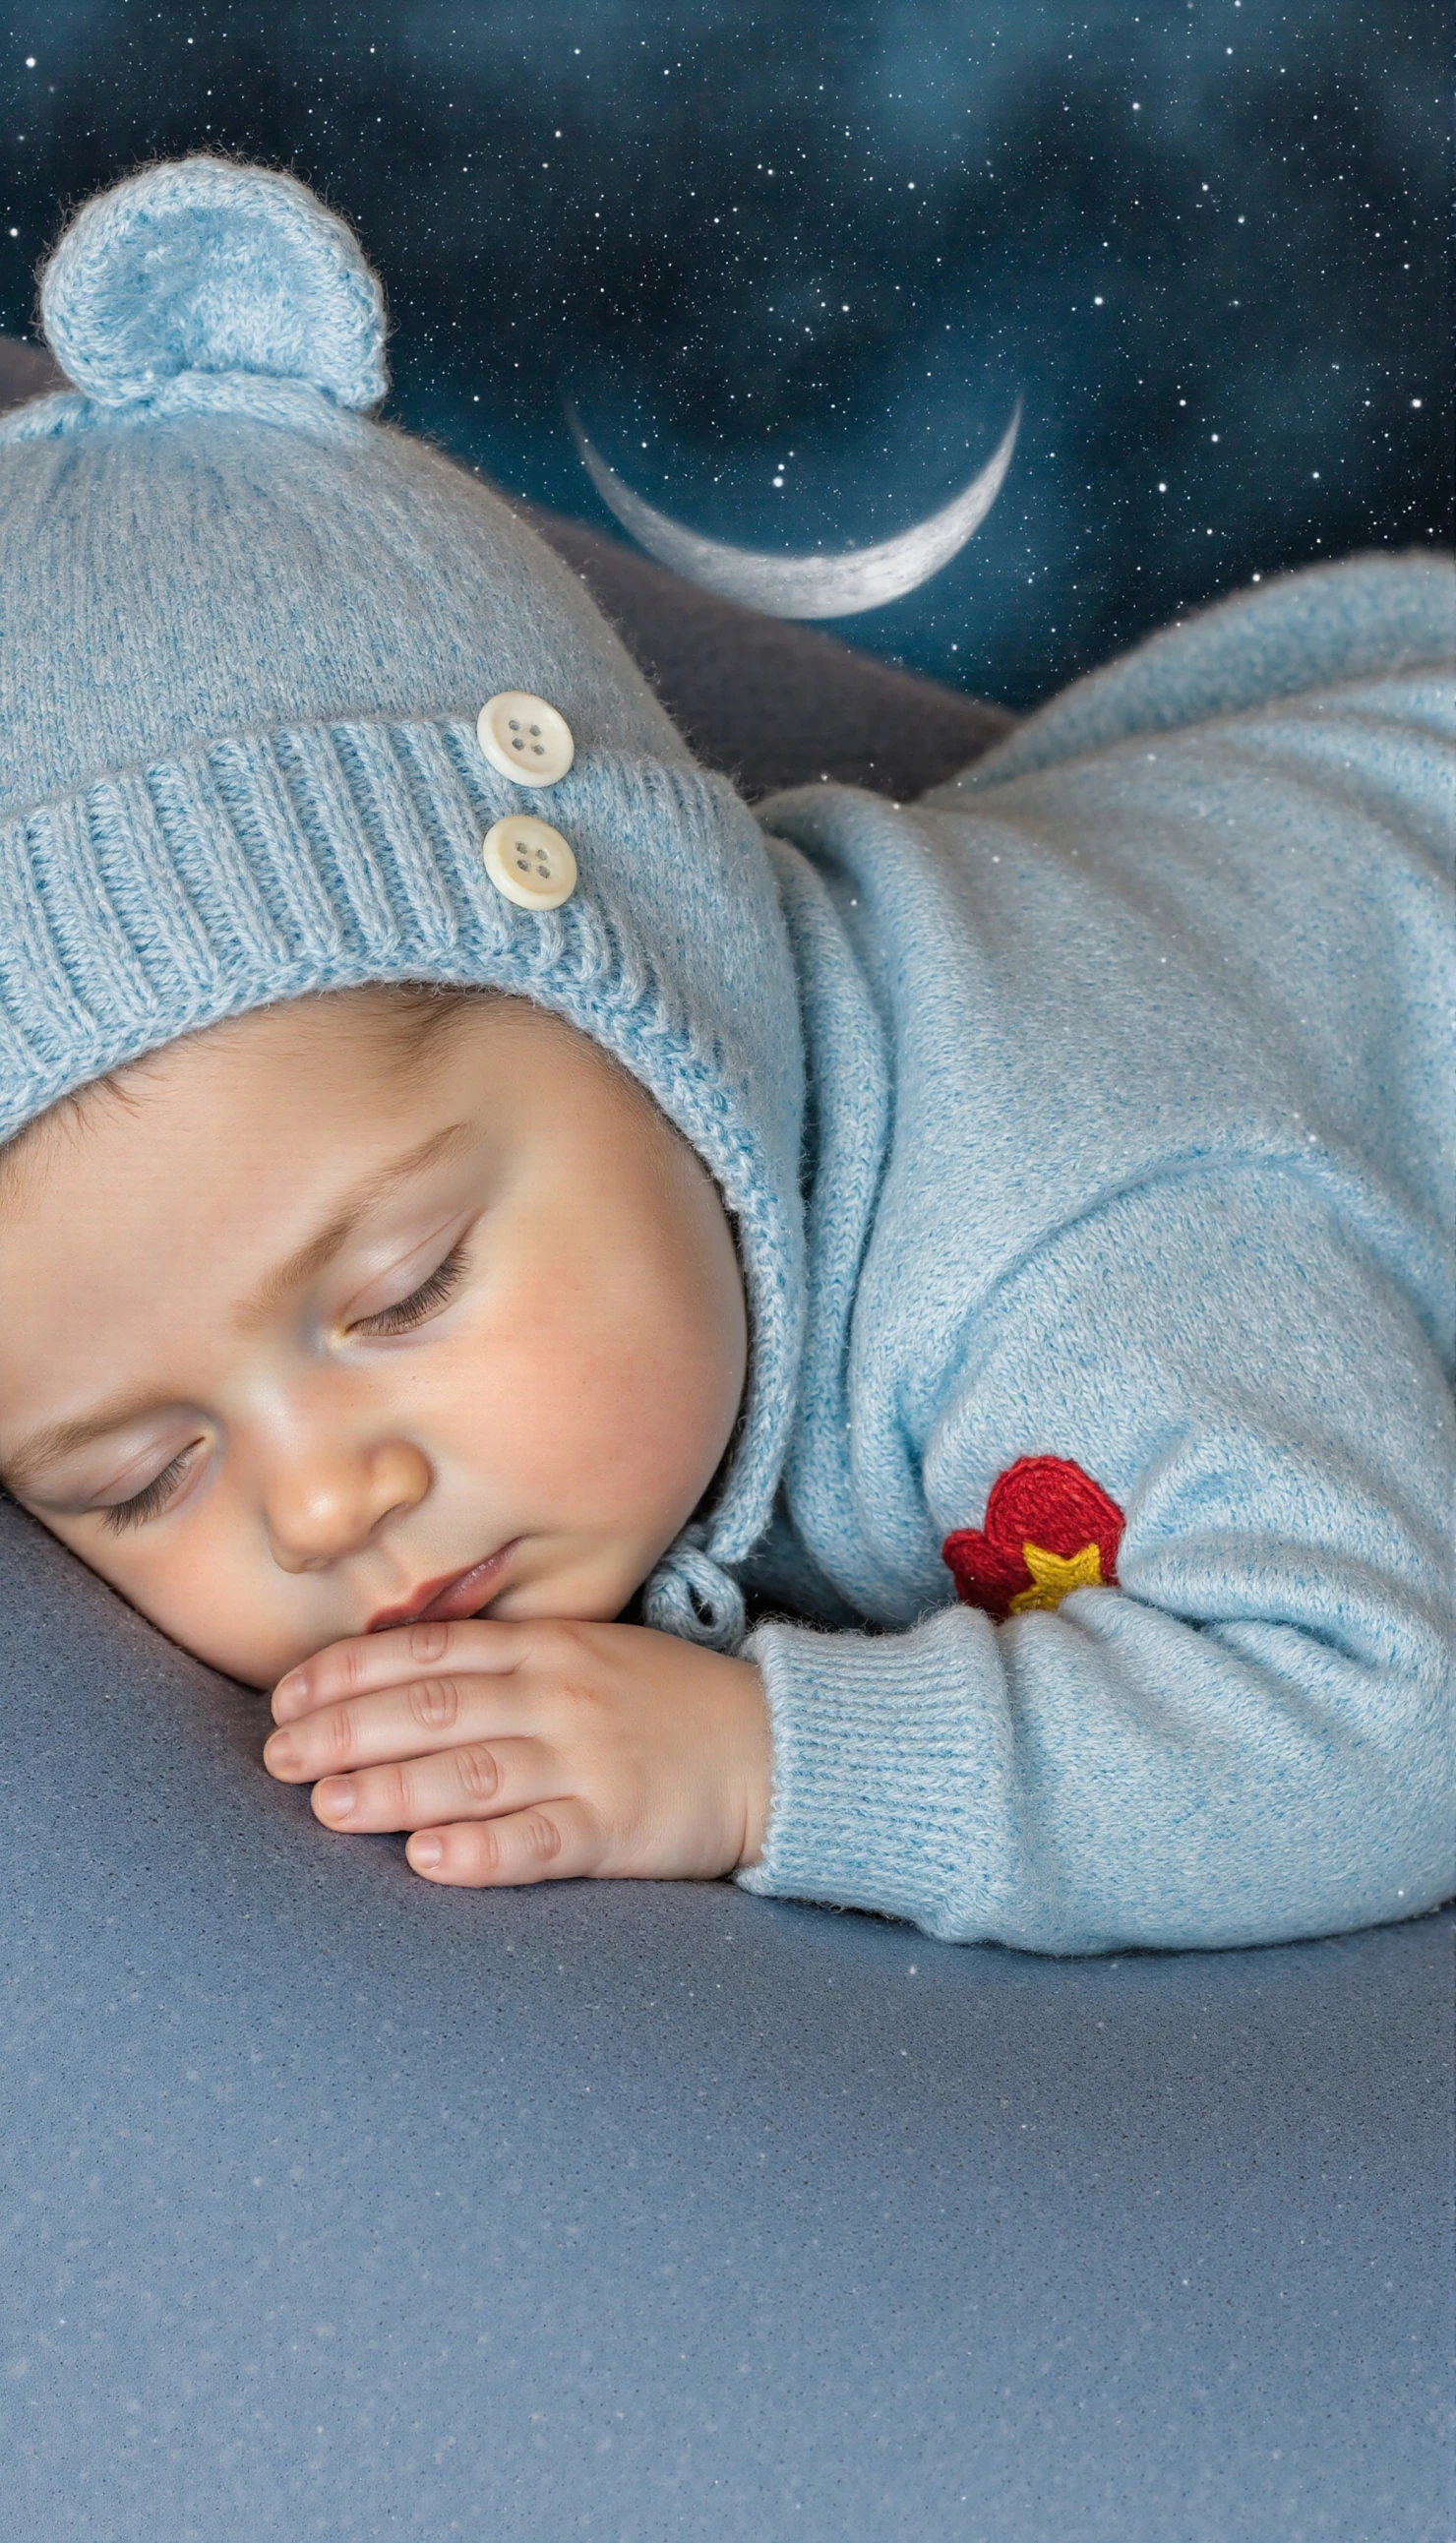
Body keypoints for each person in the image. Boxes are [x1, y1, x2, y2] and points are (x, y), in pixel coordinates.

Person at [1, 156, 1450, 1954]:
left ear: (651, 994)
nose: (322, 1503)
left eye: (405, 1290)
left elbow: (1393, 1707)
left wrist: (770, 1760)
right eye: (141, 1478)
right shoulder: (582, 1248)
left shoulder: (1071, 1236)